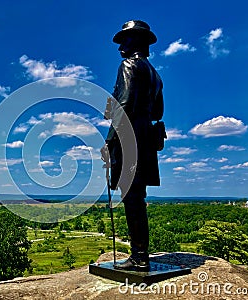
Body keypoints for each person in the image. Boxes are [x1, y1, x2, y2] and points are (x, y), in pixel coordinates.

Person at [101, 20, 164, 271]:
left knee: (131, 198)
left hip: (130, 138)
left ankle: (139, 256)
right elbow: (158, 110)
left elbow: (124, 106)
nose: (120, 48)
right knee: (137, 197)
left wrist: (109, 140)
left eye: (124, 41)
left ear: (136, 41)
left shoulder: (128, 65)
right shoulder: (155, 74)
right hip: (145, 138)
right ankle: (140, 254)